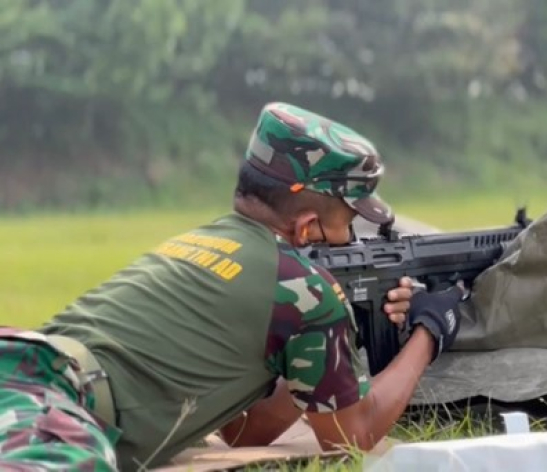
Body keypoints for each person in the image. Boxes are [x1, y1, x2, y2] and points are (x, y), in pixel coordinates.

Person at [0, 102, 465, 471]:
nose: (351, 236)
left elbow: (247, 431)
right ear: (307, 227)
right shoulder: (303, 289)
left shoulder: (202, 239)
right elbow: (352, 435)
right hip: (46, 404)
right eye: (350, 219)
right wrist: (429, 329)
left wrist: (332, 358)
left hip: (22, 363)